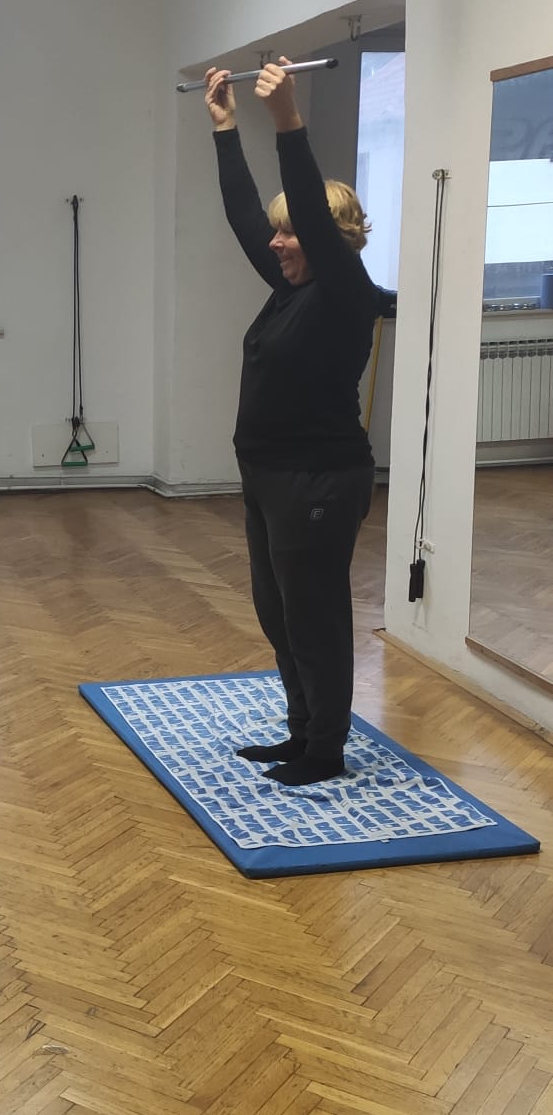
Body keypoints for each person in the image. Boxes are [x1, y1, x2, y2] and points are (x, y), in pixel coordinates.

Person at [205, 57, 377, 786]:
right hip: (268, 475)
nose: (275, 244)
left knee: (313, 617)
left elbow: (304, 207)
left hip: (318, 480)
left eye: (291, 233)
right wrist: (224, 129)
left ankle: (324, 751)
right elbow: (245, 217)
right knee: (278, 614)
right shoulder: (291, 286)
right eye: (277, 235)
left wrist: (286, 121)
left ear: (326, 238)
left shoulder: (344, 291)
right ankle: (301, 731)